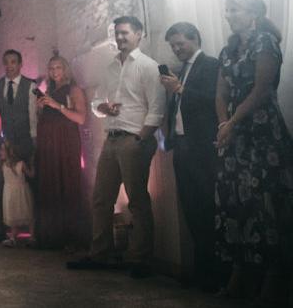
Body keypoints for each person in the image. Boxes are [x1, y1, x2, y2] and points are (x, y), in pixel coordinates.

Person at [68, 16, 165, 279]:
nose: (120, 37)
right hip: (111, 138)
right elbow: (96, 103)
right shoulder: (111, 67)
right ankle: (100, 254)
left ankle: (141, 258)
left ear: (139, 34)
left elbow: (157, 109)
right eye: (117, 33)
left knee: (137, 200)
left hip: (134, 139)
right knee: (101, 199)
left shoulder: (148, 66)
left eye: (125, 33)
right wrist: (103, 107)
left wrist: (140, 138)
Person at [213, 0, 293, 303]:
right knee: (236, 203)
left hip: (261, 131)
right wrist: (224, 123)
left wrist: (232, 123)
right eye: (227, 9)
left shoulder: (265, 42)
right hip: (234, 135)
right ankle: (241, 272)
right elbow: (220, 92)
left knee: (265, 204)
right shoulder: (228, 49)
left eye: (235, 10)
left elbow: (261, 89)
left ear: (253, 13)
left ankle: (275, 277)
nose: (229, 15)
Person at [159, 22, 220, 291]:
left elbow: (213, 100)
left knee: (207, 207)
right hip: (182, 146)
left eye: (180, 43)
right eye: (172, 45)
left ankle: (214, 272)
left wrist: (181, 90)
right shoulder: (181, 71)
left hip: (202, 146)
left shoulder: (210, 64)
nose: (176, 49)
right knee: (191, 209)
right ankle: (201, 271)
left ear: (195, 38)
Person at [0, 49, 38, 244]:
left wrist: (35, 145)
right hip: (8, 143)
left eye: (13, 62)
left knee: (31, 186)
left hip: (27, 142)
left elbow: (33, 118)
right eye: (6, 62)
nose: (9, 65)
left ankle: (35, 233)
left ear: (20, 64)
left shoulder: (31, 86)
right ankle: (1, 230)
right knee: (2, 185)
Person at [34, 55, 87, 250]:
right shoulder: (49, 90)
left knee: (67, 183)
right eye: (51, 68)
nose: (54, 71)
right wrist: (41, 108)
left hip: (65, 142)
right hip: (48, 144)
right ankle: (52, 236)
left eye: (58, 67)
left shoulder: (74, 89)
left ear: (65, 69)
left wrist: (58, 106)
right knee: (50, 183)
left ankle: (71, 238)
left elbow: (80, 118)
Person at [0, 140, 34, 247]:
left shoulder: (20, 164)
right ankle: (13, 237)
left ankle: (32, 237)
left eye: (2, 150)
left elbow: (31, 175)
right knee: (12, 212)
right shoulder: (4, 165)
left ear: (9, 152)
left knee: (26, 211)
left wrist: (32, 164)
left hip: (21, 191)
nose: (0, 152)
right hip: (9, 192)